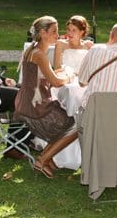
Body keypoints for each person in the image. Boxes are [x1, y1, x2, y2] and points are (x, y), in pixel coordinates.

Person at [13, 16, 77, 179]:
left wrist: (59, 74)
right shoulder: (40, 54)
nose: (58, 35)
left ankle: (46, 159)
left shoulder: (31, 50)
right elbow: (55, 82)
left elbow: (43, 76)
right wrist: (69, 76)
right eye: (54, 31)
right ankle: (43, 159)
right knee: (76, 126)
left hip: (25, 103)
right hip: (36, 108)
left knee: (67, 121)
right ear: (42, 33)